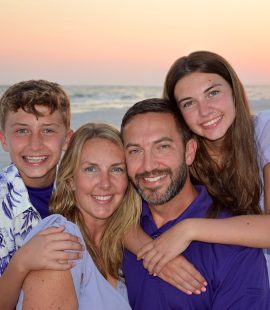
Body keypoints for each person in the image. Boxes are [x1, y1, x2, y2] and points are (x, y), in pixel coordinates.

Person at [121, 98, 270, 309]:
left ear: (189, 152)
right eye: (135, 151)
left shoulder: (237, 248)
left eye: (163, 147)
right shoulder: (120, 221)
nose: (148, 165)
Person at [136, 51, 270, 280]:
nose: (205, 111)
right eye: (189, 103)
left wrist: (189, 229)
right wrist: (155, 254)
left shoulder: (264, 131)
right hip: (220, 283)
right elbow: (119, 213)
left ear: (234, 91)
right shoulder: (182, 155)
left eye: (213, 93)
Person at [16, 123, 141, 309]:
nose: (105, 184)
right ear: (71, 180)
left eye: (116, 169)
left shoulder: (120, 248)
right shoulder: (61, 240)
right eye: (91, 169)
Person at [0, 80, 82, 309]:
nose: (34, 144)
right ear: (4, 139)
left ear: (67, 139)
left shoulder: (82, 188)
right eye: (22, 131)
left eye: (47, 130)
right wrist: (22, 262)